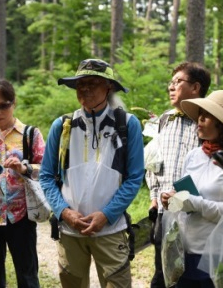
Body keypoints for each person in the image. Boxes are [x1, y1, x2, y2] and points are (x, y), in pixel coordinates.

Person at [39, 58, 144, 288]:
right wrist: (65, 212)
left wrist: (106, 215)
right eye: (80, 83)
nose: (85, 89)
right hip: (70, 231)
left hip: (111, 229)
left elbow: (135, 177)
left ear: (108, 87)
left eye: (93, 83)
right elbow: (46, 176)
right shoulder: (62, 125)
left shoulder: (127, 124)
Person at [161, 90, 223, 287]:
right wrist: (173, 200)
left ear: (222, 123)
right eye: (199, 115)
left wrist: (195, 203)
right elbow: (185, 196)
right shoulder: (194, 155)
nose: (199, 120)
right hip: (184, 251)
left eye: (207, 115)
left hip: (217, 253)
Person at [145, 62, 211, 288]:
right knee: (163, 272)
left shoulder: (207, 122)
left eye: (177, 82)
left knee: (194, 274)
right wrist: (154, 197)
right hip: (166, 212)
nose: (171, 87)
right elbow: (154, 164)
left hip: (196, 214)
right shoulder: (164, 120)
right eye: (170, 83)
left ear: (195, 87)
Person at [0, 80, 45, 288]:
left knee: (27, 274)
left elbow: (47, 171)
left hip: (21, 215)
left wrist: (24, 169)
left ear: (13, 103)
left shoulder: (31, 134)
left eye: (3, 105)